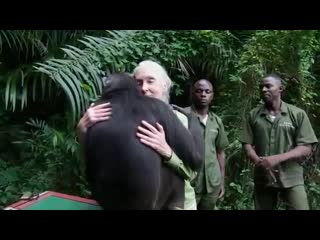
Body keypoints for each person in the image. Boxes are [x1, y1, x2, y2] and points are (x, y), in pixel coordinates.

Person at [77, 60, 197, 210]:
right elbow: (92, 163)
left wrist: (168, 152)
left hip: (177, 204)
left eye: (150, 81)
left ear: (165, 85)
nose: (144, 88)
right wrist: (83, 128)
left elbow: (194, 173)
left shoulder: (180, 118)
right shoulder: (114, 116)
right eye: (139, 83)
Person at [240, 73, 318, 210]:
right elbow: (246, 144)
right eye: (261, 87)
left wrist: (277, 158)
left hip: (291, 177)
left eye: (268, 86)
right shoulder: (254, 115)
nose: (264, 89)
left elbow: (306, 147)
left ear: (280, 88)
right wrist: (260, 162)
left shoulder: (297, 114)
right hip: (263, 178)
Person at [184, 79, 229, 210]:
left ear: (212, 96)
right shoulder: (182, 115)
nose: (203, 94)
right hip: (188, 183)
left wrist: (221, 181)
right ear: (192, 94)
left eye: (207, 91)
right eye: (199, 91)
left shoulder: (216, 121)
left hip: (212, 183)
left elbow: (220, 152)